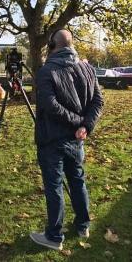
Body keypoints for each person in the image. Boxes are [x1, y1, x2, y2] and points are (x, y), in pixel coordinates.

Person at [30, 29, 103, 251]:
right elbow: (98, 102)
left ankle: (54, 236)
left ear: (52, 45)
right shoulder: (87, 67)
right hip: (76, 137)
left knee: (55, 186)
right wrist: (84, 125)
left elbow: (50, 106)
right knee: (77, 180)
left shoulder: (46, 72)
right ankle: (83, 225)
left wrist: (82, 124)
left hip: (53, 138)